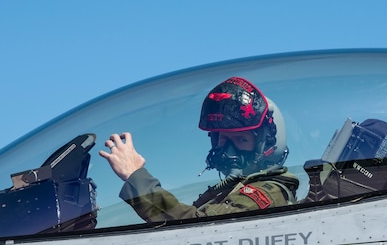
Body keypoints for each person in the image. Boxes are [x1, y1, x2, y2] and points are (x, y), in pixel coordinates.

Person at [99, 76, 299, 223]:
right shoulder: (230, 191)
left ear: (267, 144)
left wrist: (136, 176)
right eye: (223, 138)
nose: (228, 150)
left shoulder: (267, 192)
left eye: (241, 139)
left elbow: (197, 229)